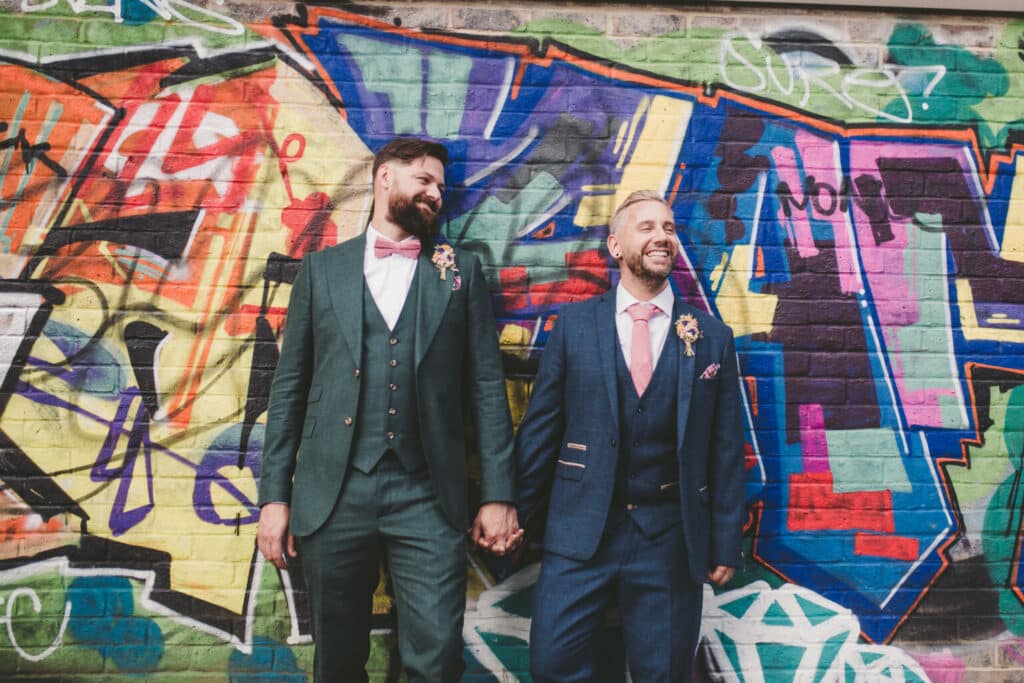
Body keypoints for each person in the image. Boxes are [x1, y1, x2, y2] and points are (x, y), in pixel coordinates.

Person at [257, 137, 522, 683]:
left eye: (440, 187)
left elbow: (486, 389)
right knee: (337, 661)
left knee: (437, 656)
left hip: (428, 494)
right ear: (384, 178)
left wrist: (497, 494)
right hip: (334, 493)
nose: (435, 194)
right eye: (423, 180)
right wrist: (274, 498)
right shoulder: (322, 270)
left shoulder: (461, 273)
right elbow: (288, 391)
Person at [516, 190, 745, 682]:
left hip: (668, 539)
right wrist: (514, 513)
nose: (662, 236)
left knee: (663, 673)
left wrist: (725, 541)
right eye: (647, 227)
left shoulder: (712, 337)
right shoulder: (575, 326)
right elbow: (541, 430)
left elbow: (725, 449)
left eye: (669, 228)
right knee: (552, 665)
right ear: (615, 246)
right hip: (579, 532)